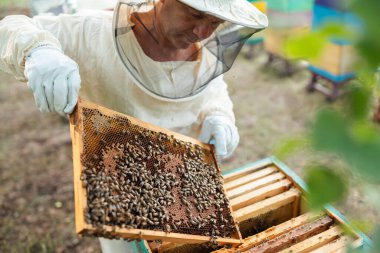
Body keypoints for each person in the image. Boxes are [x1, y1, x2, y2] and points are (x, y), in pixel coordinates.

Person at [0, 0, 267, 252]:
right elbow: (10, 28)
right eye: (195, 14)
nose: (202, 32)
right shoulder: (93, 32)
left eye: (215, 22)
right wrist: (38, 50)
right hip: (117, 191)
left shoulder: (204, 51)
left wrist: (219, 116)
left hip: (181, 188)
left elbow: (213, 93)